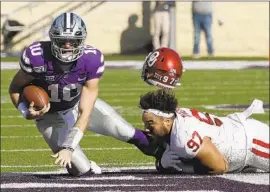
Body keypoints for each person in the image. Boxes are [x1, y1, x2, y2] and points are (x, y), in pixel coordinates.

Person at [8, 12, 156, 177]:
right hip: (50, 117)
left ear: (82, 40)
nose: (68, 46)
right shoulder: (37, 57)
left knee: (128, 132)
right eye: (62, 40)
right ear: (52, 38)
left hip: (76, 104)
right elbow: (15, 88)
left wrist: (69, 147)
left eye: (73, 41)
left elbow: (85, 113)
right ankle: (87, 166)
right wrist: (26, 112)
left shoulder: (91, 59)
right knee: (81, 170)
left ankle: (168, 153)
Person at [139, 89, 269, 174]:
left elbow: (219, 167)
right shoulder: (175, 117)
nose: (146, 129)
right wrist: (162, 164)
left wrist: (185, 168)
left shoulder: (183, 138)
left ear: (166, 121)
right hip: (242, 132)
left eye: (150, 124)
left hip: (251, 143)